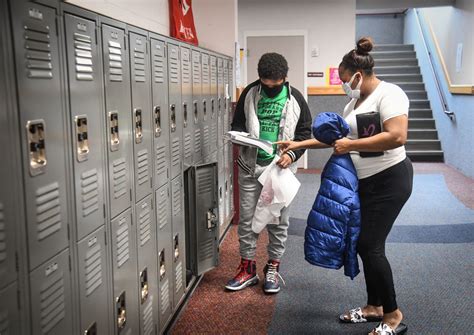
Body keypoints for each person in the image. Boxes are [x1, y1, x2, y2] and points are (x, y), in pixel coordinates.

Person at [277, 37, 413, 335]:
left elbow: (397, 136)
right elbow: (336, 139)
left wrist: (351, 144)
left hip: (390, 179)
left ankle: (392, 315)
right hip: (365, 181)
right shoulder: (355, 101)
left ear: (358, 75)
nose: (343, 84)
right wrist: (298, 143)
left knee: (369, 244)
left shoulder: (390, 94)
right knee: (363, 244)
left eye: (344, 79)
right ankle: (374, 306)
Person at [225, 52, 312, 294]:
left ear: (284, 78)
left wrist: (291, 155)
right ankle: (248, 268)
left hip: (281, 170)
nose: (271, 89)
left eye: (276, 85)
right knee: (247, 221)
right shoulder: (250, 93)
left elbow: (305, 134)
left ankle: (273, 267)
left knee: (279, 221)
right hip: (251, 167)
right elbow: (238, 125)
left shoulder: (296, 98)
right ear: (260, 79)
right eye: (266, 85)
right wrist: (239, 137)